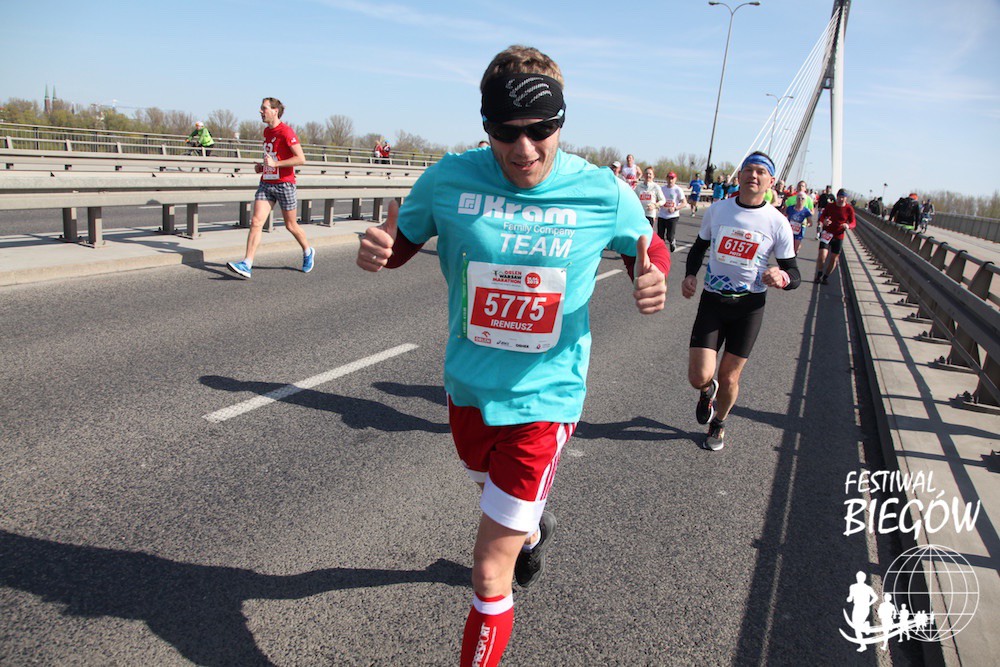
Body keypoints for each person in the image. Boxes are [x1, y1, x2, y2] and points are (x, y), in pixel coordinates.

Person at [355, 45, 669, 667]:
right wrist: (380, 248)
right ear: (486, 126)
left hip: (546, 399)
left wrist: (650, 273)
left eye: (540, 130)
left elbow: (647, 245)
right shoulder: (449, 179)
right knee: (494, 501)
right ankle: (531, 529)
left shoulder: (600, 191)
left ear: (561, 123)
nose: (524, 149)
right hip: (468, 391)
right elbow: (400, 240)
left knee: (487, 570)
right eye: (505, 132)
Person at [681, 151, 800, 451]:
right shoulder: (718, 210)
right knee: (698, 376)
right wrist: (690, 274)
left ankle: (719, 423)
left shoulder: (777, 222)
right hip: (713, 301)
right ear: (740, 175)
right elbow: (699, 247)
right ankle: (706, 391)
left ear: (771, 181)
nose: (753, 175)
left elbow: (794, 273)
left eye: (761, 172)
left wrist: (781, 277)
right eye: (749, 169)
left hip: (749, 308)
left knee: (730, 376)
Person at [226, 98, 314, 279]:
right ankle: (247, 264)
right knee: (256, 222)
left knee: (291, 225)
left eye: (264, 108)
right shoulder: (267, 131)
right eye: (261, 108)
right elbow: (272, 156)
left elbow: (301, 159)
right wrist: (263, 166)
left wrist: (276, 164)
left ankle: (308, 251)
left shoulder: (286, 131)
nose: (260, 111)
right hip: (267, 182)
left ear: (275, 111)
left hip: (285, 184)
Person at [815, 188, 856, 284]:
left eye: (843, 197)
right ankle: (819, 274)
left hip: (838, 236)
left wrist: (848, 225)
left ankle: (825, 277)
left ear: (846, 198)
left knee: (834, 259)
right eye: (840, 197)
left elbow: (853, 222)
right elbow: (822, 216)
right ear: (837, 197)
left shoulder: (849, 209)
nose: (841, 199)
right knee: (822, 255)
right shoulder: (830, 206)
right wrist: (824, 221)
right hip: (827, 233)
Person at [658, 170, 687, 251]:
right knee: (660, 236)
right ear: (666, 179)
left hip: (673, 216)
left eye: (672, 178)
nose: (670, 180)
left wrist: (675, 208)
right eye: (669, 178)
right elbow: (658, 199)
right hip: (662, 215)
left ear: (675, 179)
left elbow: (684, 203)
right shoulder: (662, 189)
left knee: (669, 236)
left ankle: (672, 241)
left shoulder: (678, 190)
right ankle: (661, 250)